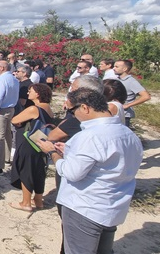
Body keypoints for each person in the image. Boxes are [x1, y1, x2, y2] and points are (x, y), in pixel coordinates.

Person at [37, 88, 143, 254]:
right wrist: (71, 151)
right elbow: (109, 163)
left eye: (71, 111)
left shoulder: (89, 137)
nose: (72, 115)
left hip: (85, 208)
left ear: (85, 108)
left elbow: (72, 173)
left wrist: (52, 153)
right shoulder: (128, 134)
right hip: (113, 207)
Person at [9, 83, 53, 212]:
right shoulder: (48, 108)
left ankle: (26, 202)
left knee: (26, 171)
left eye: (30, 91)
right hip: (42, 143)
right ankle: (38, 200)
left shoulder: (34, 109)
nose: (28, 93)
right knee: (39, 171)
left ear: (37, 94)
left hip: (30, 142)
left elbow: (14, 120)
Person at [113, 59, 151, 127]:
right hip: (116, 113)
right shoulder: (118, 79)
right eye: (114, 66)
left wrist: (128, 105)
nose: (114, 68)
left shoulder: (131, 81)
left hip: (124, 115)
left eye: (116, 67)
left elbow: (146, 96)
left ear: (124, 69)